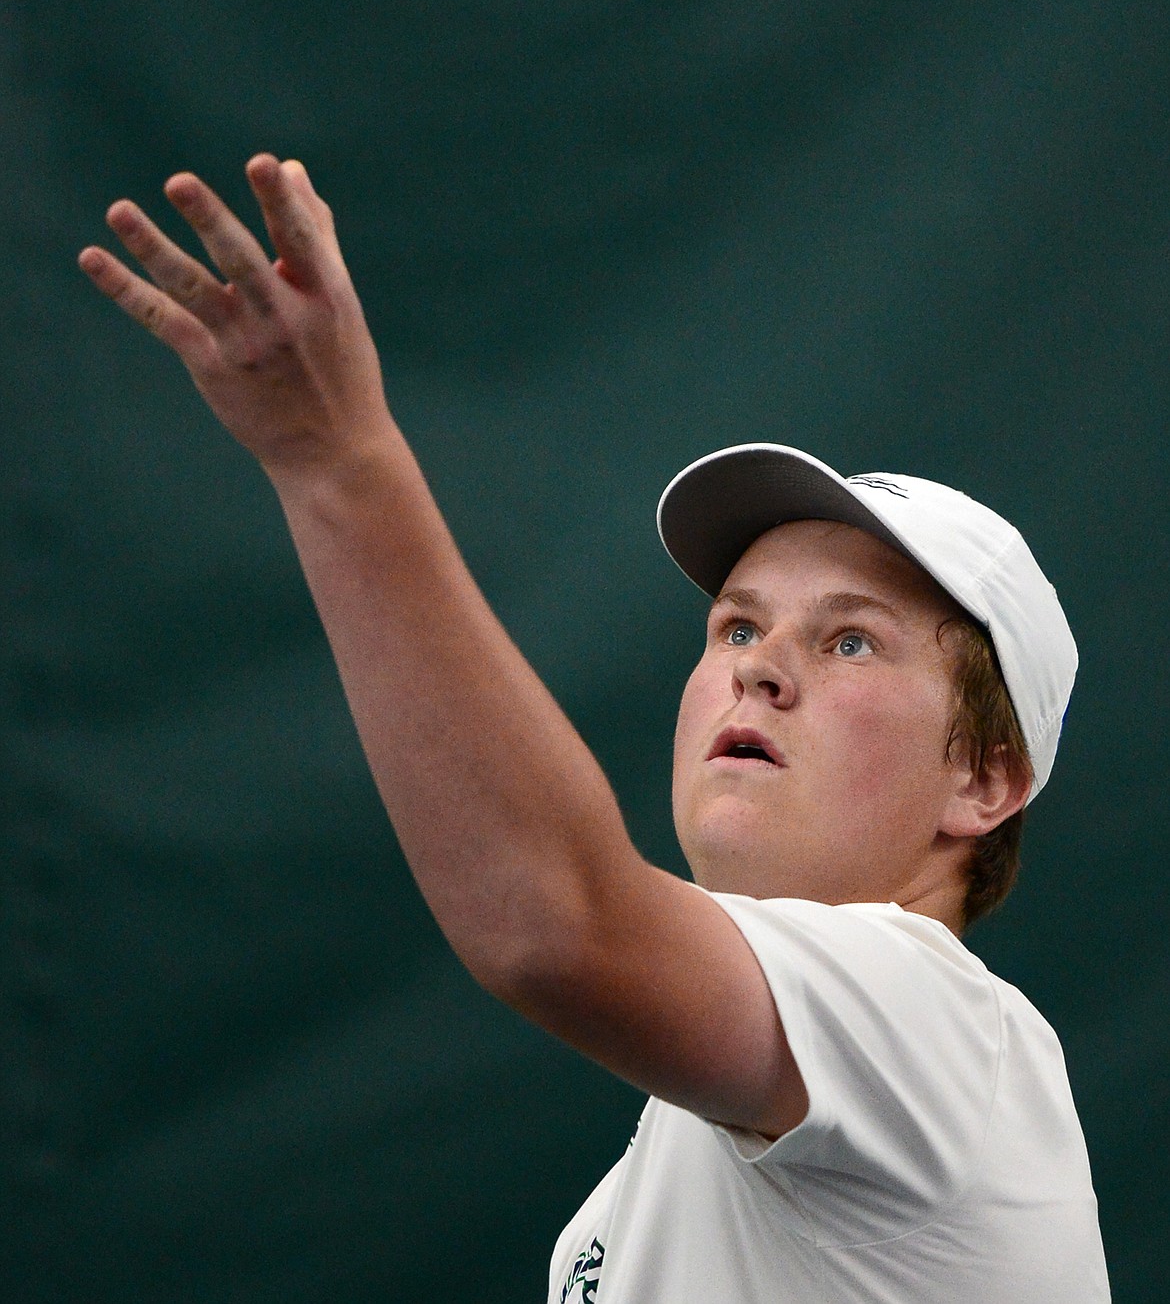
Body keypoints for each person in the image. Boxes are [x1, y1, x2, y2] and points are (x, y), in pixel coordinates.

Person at [78, 154, 1112, 1302]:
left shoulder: (943, 1036)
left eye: (850, 640)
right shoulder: (668, 1172)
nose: (759, 669)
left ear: (983, 779)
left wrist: (338, 464)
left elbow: (552, 924)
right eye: (735, 628)